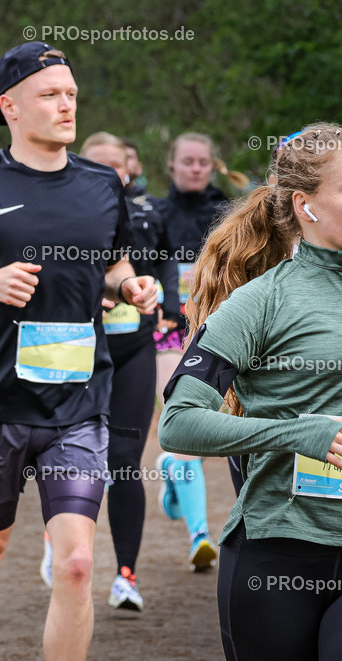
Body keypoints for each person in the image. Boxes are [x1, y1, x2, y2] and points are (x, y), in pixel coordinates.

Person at [0, 42, 156, 661]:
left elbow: (113, 263)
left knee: (77, 562)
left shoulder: (103, 183)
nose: (66, 104)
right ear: (10, 106)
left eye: (71, 93)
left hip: (79, 399)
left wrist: (129, 286)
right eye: (51, 94)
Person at [158, 122, 342, 661]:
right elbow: (179, 423)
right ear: (304, 205)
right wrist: (297, 433)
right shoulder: (260, 301)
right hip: (277, 553)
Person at [80, 132, 179, 611]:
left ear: (129, 170)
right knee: (74, 463)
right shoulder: (67, 212)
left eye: (114, 166)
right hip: (78, 353)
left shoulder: (145, 214)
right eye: (95, 165)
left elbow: (165, 264)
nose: (106, 175)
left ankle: (125, 574)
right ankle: (64, 549)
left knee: (123, 460)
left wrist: (169, 307)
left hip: (135, 347)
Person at [152, 132, 231, 571]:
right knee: (183, 418)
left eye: (203, 161)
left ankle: (171, 472)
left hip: (216, 330)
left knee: (206, 427)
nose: (196, 168)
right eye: (188, 161)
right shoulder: (155, 213)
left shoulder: (228, 212)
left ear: (213, 165)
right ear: (173, 165)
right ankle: (200, 534)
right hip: (167, 329)